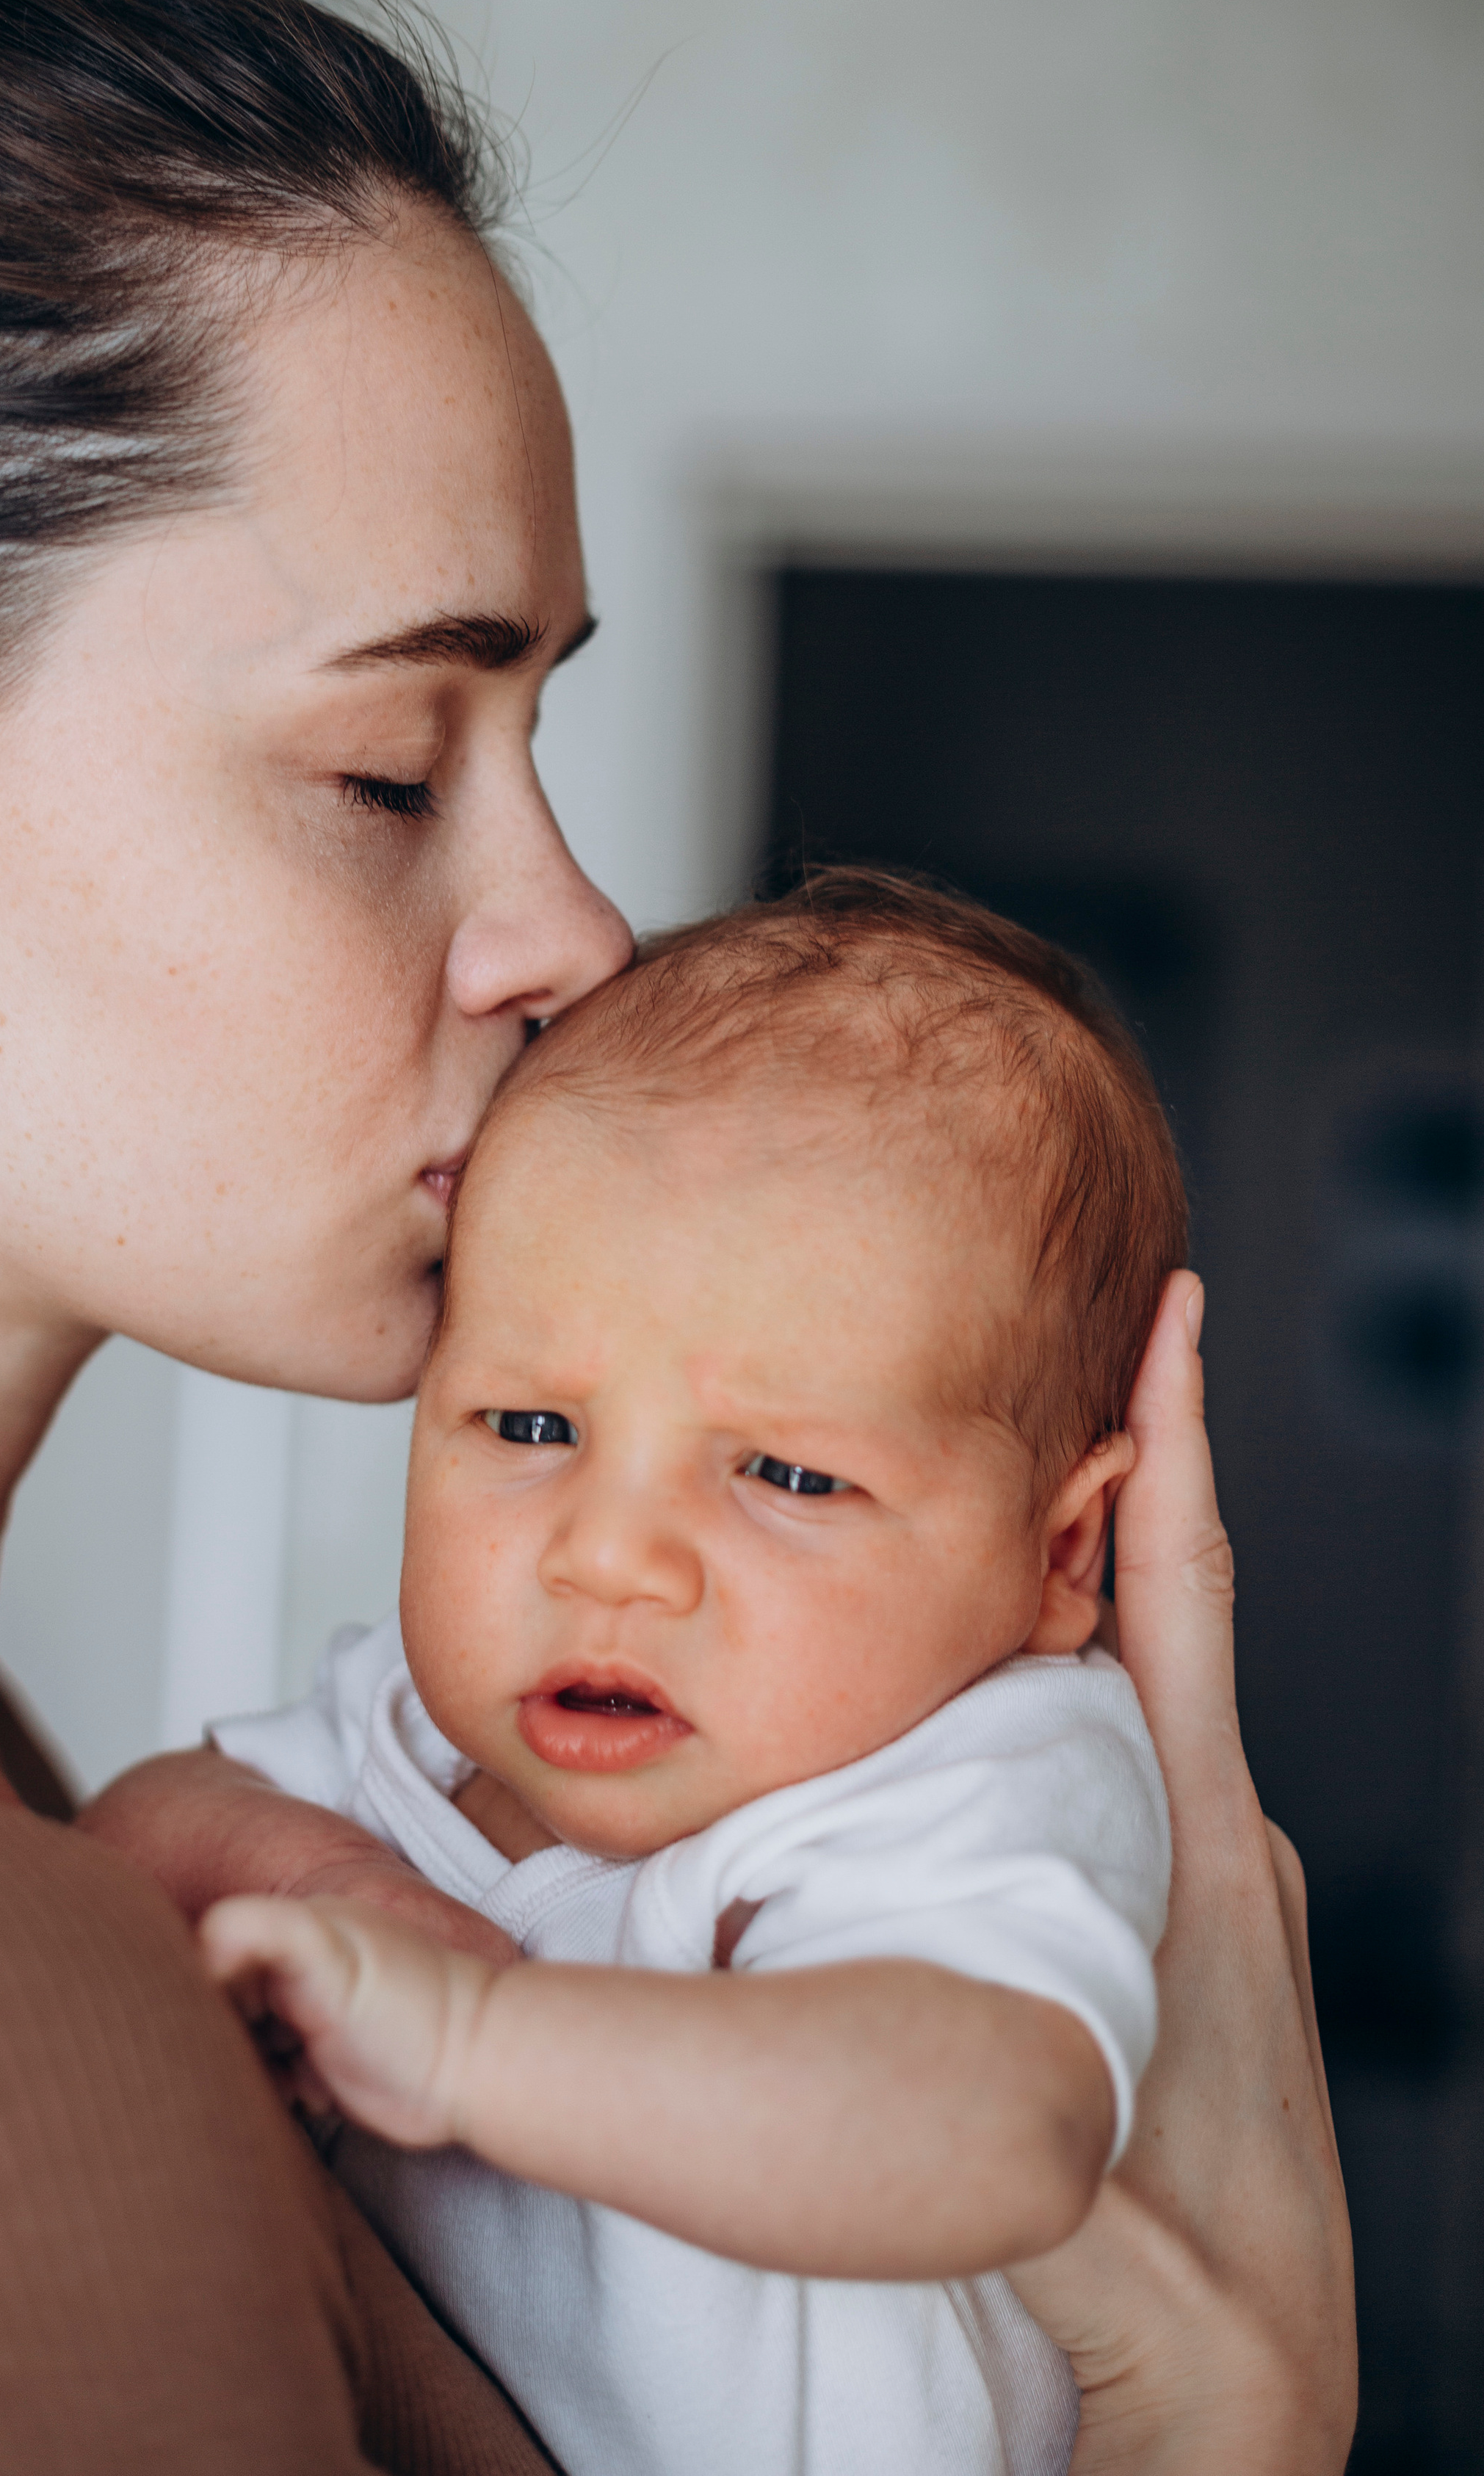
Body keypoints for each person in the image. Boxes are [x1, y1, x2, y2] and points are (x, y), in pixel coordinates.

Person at [0, 0, 1354, 2470]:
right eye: (389, 774)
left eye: (535, 740)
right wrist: (1239, 2420)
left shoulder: (10, 1796)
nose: (571, 935)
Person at [95, 873, 1182, 2476]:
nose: (607, 1558)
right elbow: (137, 1829)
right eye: (530, 1431)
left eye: (786, 1478)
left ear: (1057, 1555)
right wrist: (330, 1882)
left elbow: (1000, 2132)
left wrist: (474, 2047)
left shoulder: (979, 1771)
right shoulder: (402, 1737)